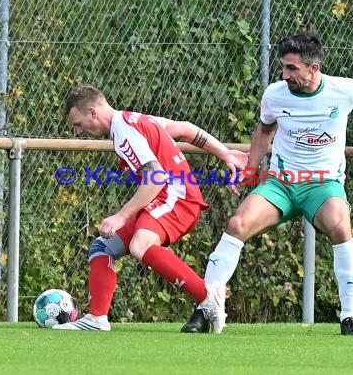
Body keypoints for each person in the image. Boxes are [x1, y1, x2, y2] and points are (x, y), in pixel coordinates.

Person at [181, 32, 353, 335]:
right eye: (283, 67)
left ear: (314, 69)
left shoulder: (344, 91)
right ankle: (206, 309)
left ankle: (348, 317)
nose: (285, 75)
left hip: (323, 185)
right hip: (281, 183)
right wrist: (251, 170)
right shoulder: (275, 94)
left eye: (292, 69)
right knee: (237, 223)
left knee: (340, 225)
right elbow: (264, 131)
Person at [53, 85, 248, 331]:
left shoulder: (124, 131)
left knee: (140, 245)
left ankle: (208, 298)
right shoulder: (135, 119)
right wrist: (226, 154)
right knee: (102, 248)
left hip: (176, 197)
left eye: (78, 124)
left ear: (92, 112)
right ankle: (96, 320)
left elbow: (155, 178)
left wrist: (121, 216)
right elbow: (186, 129)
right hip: (167, 197)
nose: (78, 132)